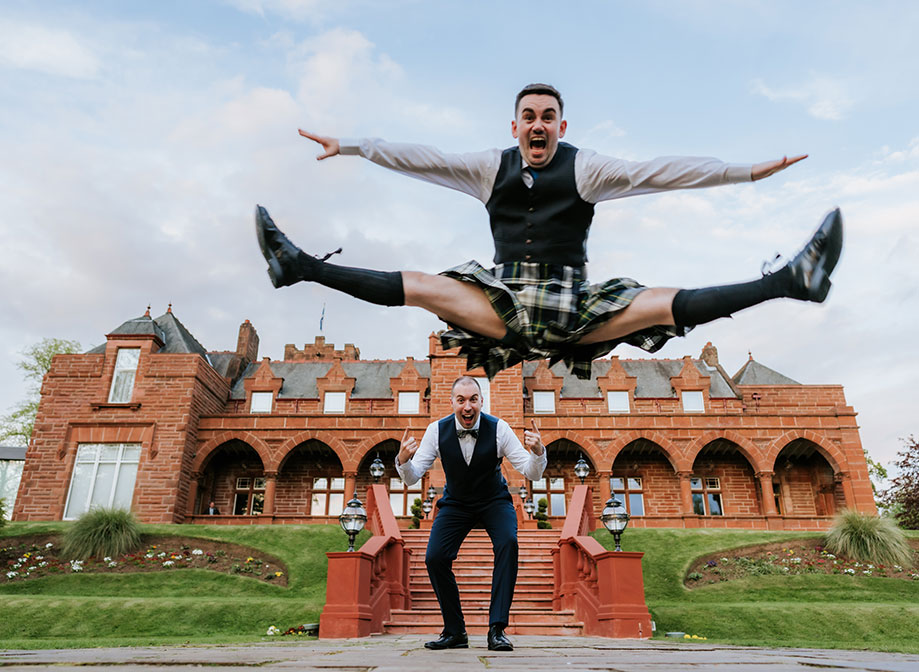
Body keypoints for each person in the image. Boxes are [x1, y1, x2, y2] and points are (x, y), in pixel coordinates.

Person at [256, 83, 842, 379]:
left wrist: (746, 173)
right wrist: (354, 146)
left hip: (575, 307)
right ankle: (297, 265)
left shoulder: (585, 168)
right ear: (515, 126)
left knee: (663, 303)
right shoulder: (489, 167)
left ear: (562, 125)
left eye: (547, 118)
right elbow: (421, 157)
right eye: (528, 118)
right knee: (425, 285)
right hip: (504, 302)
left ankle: (793, 280)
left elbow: (661, 173)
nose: (538, 126)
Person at [396, 376, 546, 651]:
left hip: (494, 501)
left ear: (481, 402)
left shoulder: (499, 428)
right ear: (452, 402)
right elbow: (412, 477)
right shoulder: (436, 430)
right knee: (435, 557)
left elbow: (530, 472)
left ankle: (497, 629)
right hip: (456, 504)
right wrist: (403, 461)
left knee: (508, 544)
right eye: (461, 400)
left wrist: (537, 453)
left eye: (473, 399)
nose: (468, 406)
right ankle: (455, 631)